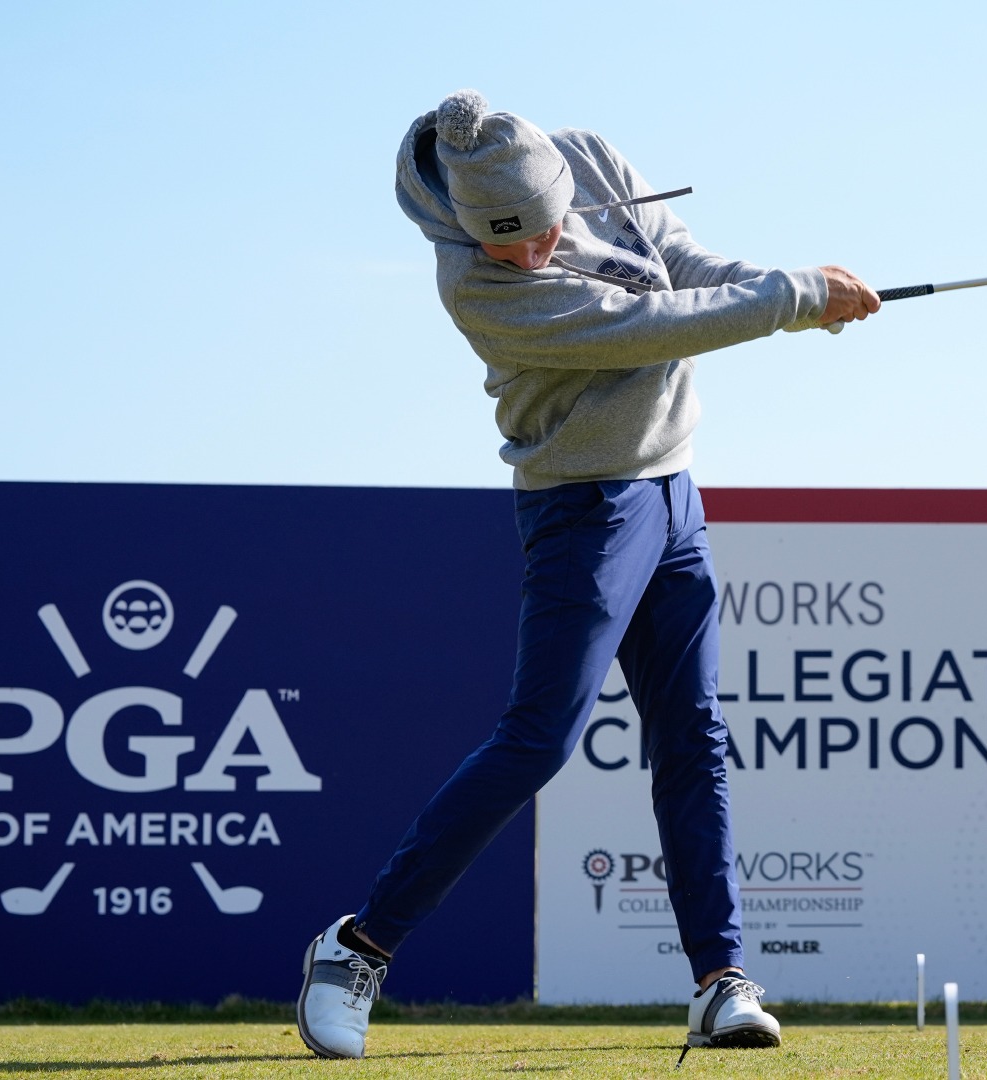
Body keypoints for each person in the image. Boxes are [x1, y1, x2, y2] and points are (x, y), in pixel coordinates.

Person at [295, 89, 879, 1060]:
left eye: (539, 232)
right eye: (503, 243)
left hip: (674, 492)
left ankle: (720, 981)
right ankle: (358, 947)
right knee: (539, 739)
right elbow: (651, 324)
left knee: (693, 736)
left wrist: (796, 287)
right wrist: (796, 298)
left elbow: (685, 265)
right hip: (583, 507)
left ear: (562, 190)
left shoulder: (594, 158)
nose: (528, 255)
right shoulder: (476, 288)